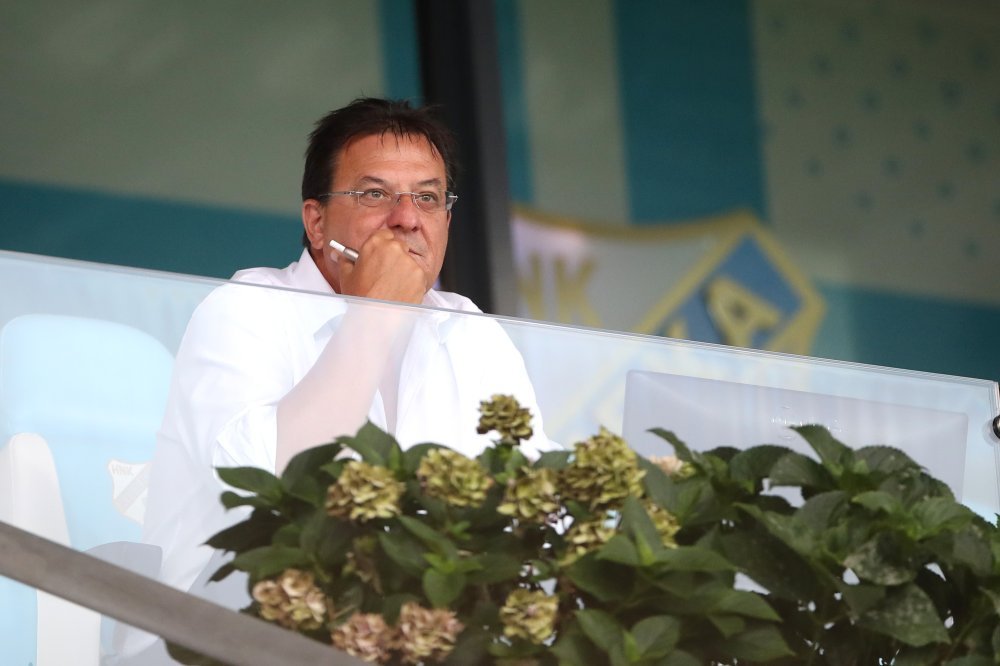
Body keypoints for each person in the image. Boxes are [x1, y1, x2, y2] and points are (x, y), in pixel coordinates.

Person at [125, 98, 552, 660]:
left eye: (428, 198)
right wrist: (374, 316)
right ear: (317, 222)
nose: (407, 218)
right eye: (375, 194)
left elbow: (539, 512)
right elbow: (266, 490)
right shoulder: (246, 308)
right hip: (225, 647)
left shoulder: (471, 333)